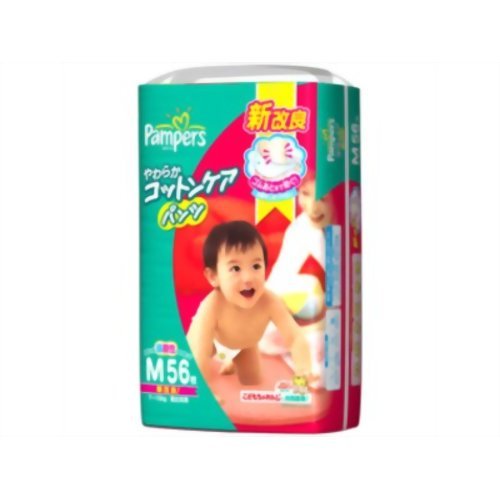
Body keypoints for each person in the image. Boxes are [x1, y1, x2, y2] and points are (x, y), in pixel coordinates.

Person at [187, 220, 312, 387]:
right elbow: (199, 353)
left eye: (256, 266)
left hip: (245, 345)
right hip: (210, 343)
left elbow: (294, 337)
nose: (248, 278)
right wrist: (206, 394)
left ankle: (231, 360)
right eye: (235, 269)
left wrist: (304, 368)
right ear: (213, 277)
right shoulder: (212, 306)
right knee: (192, 362)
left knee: (253, 380)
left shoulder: (269, 301)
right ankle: (219, 363)